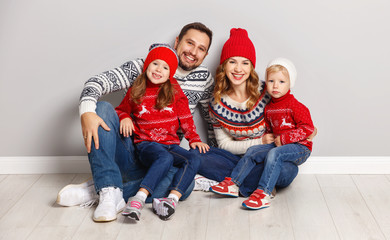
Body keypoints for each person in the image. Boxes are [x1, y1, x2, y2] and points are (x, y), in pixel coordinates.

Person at [56, 22, 214, 222]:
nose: (193, 52)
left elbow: (211, 120)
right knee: (103, 108)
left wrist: (208, 154)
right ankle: (107, 188)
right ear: (177, 42)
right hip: (134, 148)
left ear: (206, 54)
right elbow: (96, 83)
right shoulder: (143, 67)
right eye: (189, 43)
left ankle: (100, 191)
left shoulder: (203, 79)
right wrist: (87, 111)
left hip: (163, 155)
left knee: (186, 185)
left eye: (201, 48)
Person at [191, 28, 315, 198]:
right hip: (236, 159)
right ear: (224, 65)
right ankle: (256, 185)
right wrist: (259, 141)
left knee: (288, 170)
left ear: (251, 67)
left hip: (266, 160)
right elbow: (224, 145)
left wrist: (308, 131)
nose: (238, 69)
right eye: (232, 62)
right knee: (197, 154)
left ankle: (230, 182)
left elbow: (293, 115)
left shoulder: (269, 90)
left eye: (245, 63)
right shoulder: (216, 103)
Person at [115, 43, 209, 221]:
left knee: (194, 158)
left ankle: (171, 199)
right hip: (146, 145)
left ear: (170, 73)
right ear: (147, 66)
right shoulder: (137, 88)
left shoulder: (173, 90)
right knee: (163, 158)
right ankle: (139, 199)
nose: (159, 70)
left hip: (170, 145)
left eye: (165, 67)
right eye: (155, 64)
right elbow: (121, 109)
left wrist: (194, 138)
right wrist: (124, 117)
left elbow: (185, 116)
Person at [210, 57, 314, 210]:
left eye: (281, 82)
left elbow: (308, 129)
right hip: (277, 144)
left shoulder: (295, 106)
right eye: (271, 81)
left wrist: (284, 139)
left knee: (275, 154)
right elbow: (271, 130)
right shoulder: (269, 107)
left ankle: (263, 193)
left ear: (290, 83)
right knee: (253, 151)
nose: (275, 86)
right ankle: (233, 184)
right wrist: (270, 140)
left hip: (300, 147)